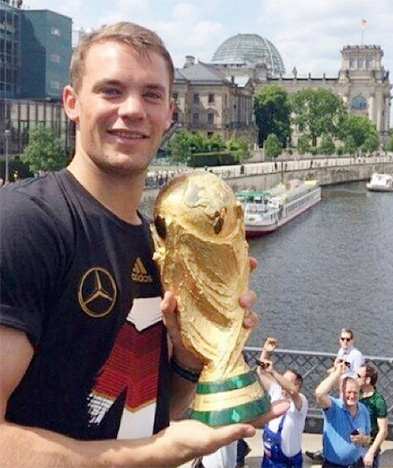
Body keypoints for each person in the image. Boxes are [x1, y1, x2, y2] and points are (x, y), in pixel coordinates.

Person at [0, 22, 287, 468]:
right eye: (111, 91)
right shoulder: (24, 225)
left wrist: (189, 361)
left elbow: (141, 417)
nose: (133, 110)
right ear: (72, 104)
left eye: (151, 95)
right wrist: (160, 453)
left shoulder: (156, 243)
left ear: (170, 112)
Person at [257, 337, 308, 468]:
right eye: (281, 380)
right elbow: (261, 372)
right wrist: (266, 351)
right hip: (268, 460)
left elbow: (292, 391)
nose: (281, 384)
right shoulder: (276, 391)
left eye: (286, 381)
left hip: (288, 463)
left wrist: (273, 372)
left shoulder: (300, 402)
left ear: (297, 385)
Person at [315, 361, 371, 468]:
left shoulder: (363, 410)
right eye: (348, 392)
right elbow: (319, 393)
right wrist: (338, 371)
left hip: (356, 464)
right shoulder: (334, 407)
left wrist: (364, 439)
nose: (352, 396)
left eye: (355, 392)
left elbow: (368, 438)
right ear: (341, 393)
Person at [356, 363, 388, 468]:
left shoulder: (378, 401)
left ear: (368, 380)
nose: (355, 378)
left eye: (359, 376)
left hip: (369, 447)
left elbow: (383, 430)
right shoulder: (356, 394)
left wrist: (371, 452)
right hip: (356, 444)